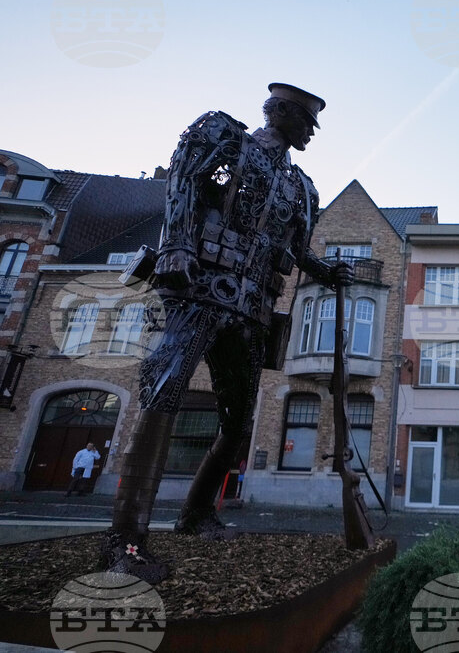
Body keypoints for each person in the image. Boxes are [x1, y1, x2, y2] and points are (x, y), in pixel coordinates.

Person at [105, 83, 352, 582]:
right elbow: (183, 180)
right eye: (306, 122)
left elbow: (294, 249)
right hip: (199, 288)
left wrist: (326, 272)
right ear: (281, 112)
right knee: (163, 391)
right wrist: (176, 246)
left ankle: (196, 515)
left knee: (238, 423)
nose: (311, 133)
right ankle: (125, 542)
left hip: (252, 305)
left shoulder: (302, 187)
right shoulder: (226, 137)